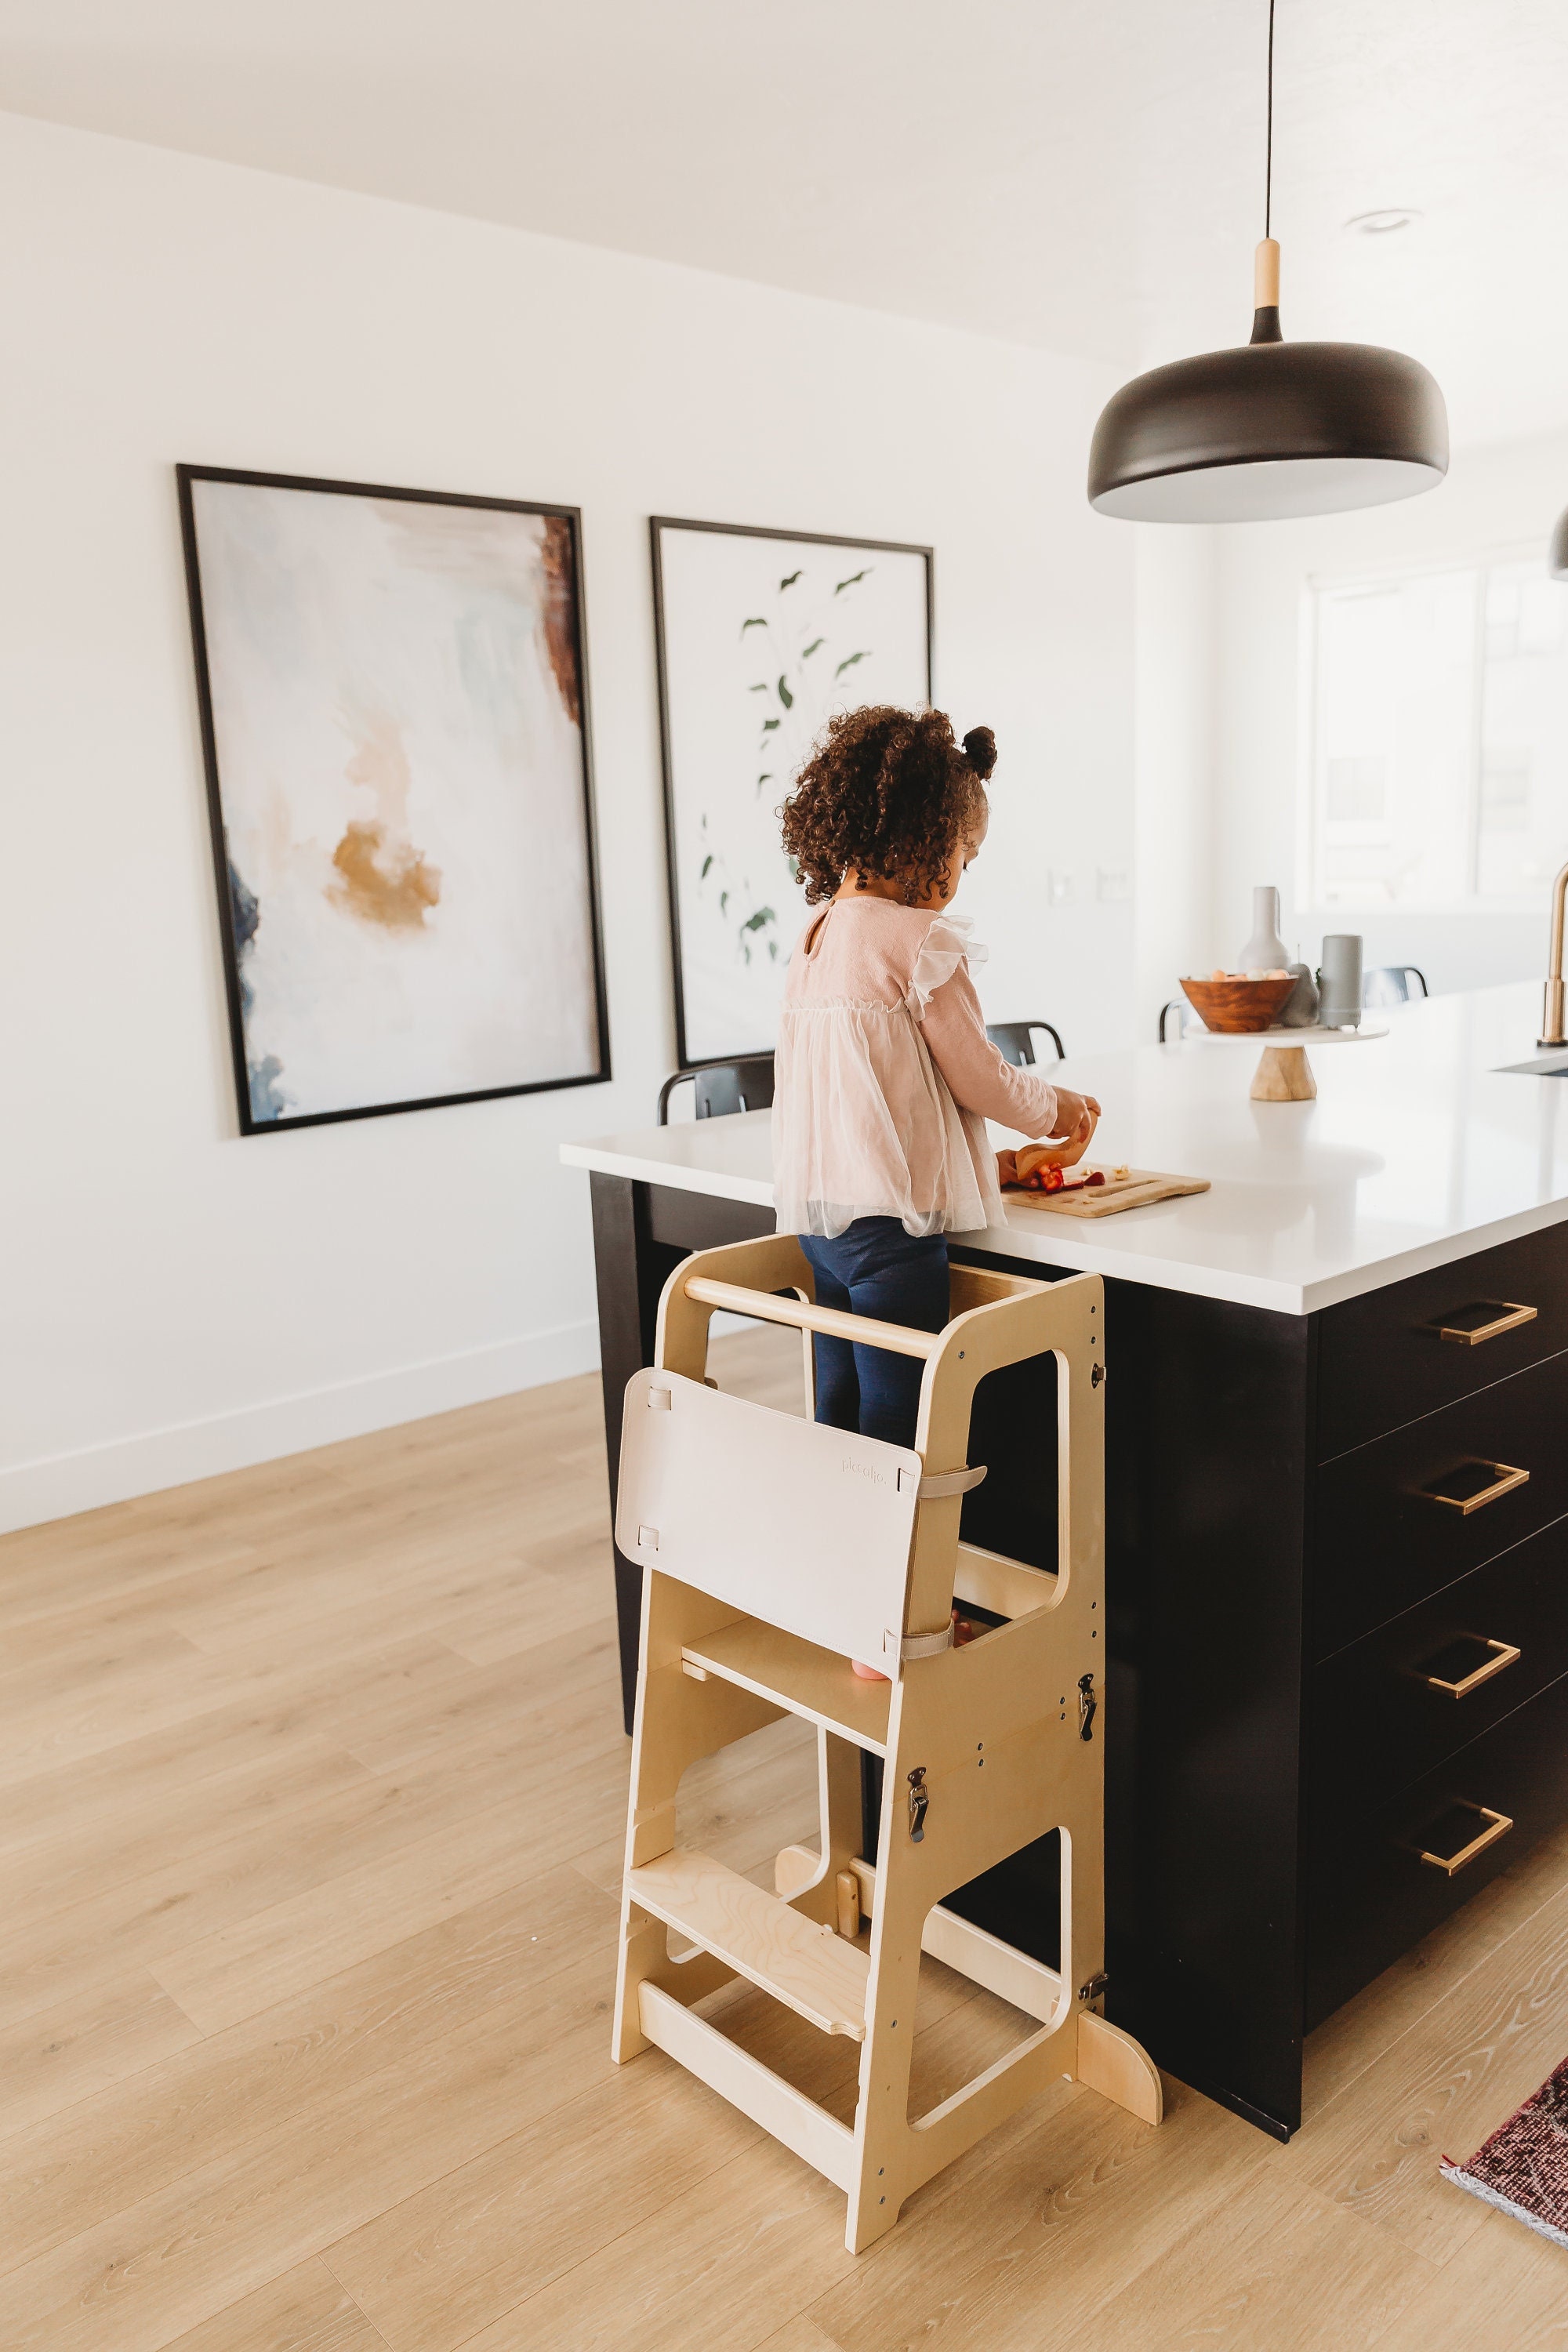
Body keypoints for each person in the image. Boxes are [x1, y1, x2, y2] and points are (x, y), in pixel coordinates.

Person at [772, 706, 1099, 1670]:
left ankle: (840, 1601)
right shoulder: (918, 942)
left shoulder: (819, 937)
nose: (961, 872)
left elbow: (875, 1096)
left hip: (823, 1226)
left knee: (840, 1422)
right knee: (903, 1435)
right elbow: (980, 1079)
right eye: (963, 848)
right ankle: (894, 1628)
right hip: (891, 1238)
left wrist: (981, 1163)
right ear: (923, 840)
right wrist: (1059, 1110)